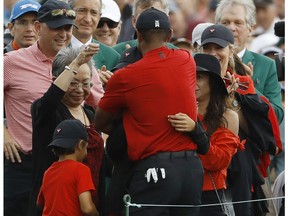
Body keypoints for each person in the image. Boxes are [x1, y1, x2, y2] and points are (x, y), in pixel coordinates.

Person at [95, 8, 204, 216]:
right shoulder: (187, 60)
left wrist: (131, 121)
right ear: (170, 35)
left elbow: (100, 122)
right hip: (191, 168)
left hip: (155, 168)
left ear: (138, 36)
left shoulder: (125, 76)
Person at [200, 23, 282, 216]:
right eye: (207, 48)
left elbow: (262, 136)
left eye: (218, 48)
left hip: (240, 170)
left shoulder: (244, 85)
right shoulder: (193, 83)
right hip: (202, 171)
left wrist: (232, 102)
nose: (213, 53)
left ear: (231, 49)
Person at [4, 1, 76, 215]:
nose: (63, 34)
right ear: (38, 28)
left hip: (66, 166)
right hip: (23, 166)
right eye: (56, 27)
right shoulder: (11, 62)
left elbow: (99, 106)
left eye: (68, 28)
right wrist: (2, 132)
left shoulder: (79, 62)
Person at [30, 45, 105, 216]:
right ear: (58, 80)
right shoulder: (46, 111)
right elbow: (50, 99)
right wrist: (77, 62)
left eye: (85, 83)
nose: (79, 90)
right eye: (72, 83)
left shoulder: (91, 114)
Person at [168, 53, 244, 216]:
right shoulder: (173, 111)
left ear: (213, 83)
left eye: (199, 77)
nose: (192, 81)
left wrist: (195, 128)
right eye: (189, 75)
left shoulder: (228, 117)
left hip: (209, 196)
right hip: (174, 192)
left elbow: (218, 161)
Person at [215, 0, 283, 124]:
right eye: (225, 22)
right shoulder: (205, 61)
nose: (231, 28)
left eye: (238, 22)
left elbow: (277, 115)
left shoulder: (267, 65)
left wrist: (249, 88)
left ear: (250, 29)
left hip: (252, 141)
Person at [37, 119, 99, 216]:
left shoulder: (48, 172)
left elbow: (40, 203)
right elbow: (87, 208)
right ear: (81, 145)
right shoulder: (81, 169)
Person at [69, 0, 120, 71]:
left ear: (99, 17)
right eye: (82, 11)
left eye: (93, 13)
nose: (88, 19)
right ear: (69, 13)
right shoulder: (55, 49)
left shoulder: (112, 57)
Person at [112, 0, 177, 55]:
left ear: (167, 20)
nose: (150, 23)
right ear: (134, 21)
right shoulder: (116, 53)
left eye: (157, 17)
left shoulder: (177, 55)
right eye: (143, 18)